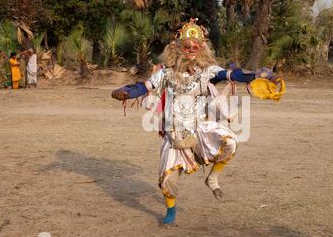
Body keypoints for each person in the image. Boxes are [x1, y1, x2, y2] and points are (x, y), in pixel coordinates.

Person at [111, 18, 285, 225]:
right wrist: (125, 92)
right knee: (167, 180)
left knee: (230, 141)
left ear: (202, 49)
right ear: (177, 48)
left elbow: (230, 74)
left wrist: (256, 74)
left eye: (196, 46)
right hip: (174, 134)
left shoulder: (207, 72)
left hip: (199, 129)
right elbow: (144, 87)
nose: (191, 49)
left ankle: (212, 178)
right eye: (187, 46)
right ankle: (171, 211)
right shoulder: (165, 74)